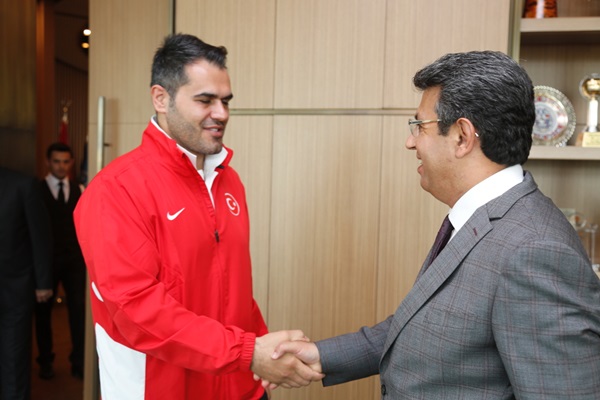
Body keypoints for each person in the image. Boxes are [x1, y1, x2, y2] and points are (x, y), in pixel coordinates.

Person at [266, 51, 600, 398]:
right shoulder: (484, 218)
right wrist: (323, 355)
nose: (410, 141)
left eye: (420, 126)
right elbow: (432, 324)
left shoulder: (535, 251)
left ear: (462, 136)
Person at [73, 33, 321, 400]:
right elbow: (137, 311)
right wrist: (249, 353)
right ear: (161, 98)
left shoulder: (228, 181)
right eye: (205, 100)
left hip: (240, 386)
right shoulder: (115, 191)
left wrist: (265, 351)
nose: (221, 114)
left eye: (225, 101)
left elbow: (235, 291)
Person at [34, 142, 87, 380]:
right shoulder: (36, 191)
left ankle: (79, 361)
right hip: (46, 262)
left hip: (74, 261)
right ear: (48, 162)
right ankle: (45, 361)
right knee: (43, 313)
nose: (61, 166)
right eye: (56, 161)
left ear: (71, 163)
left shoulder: (79, 189)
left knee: (78, 311)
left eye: (66, 162)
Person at [0, 167, 53, 400]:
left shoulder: (22, 185)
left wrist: (43, 282)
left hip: (13, 292)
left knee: (14, 362)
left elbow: (40, 236)